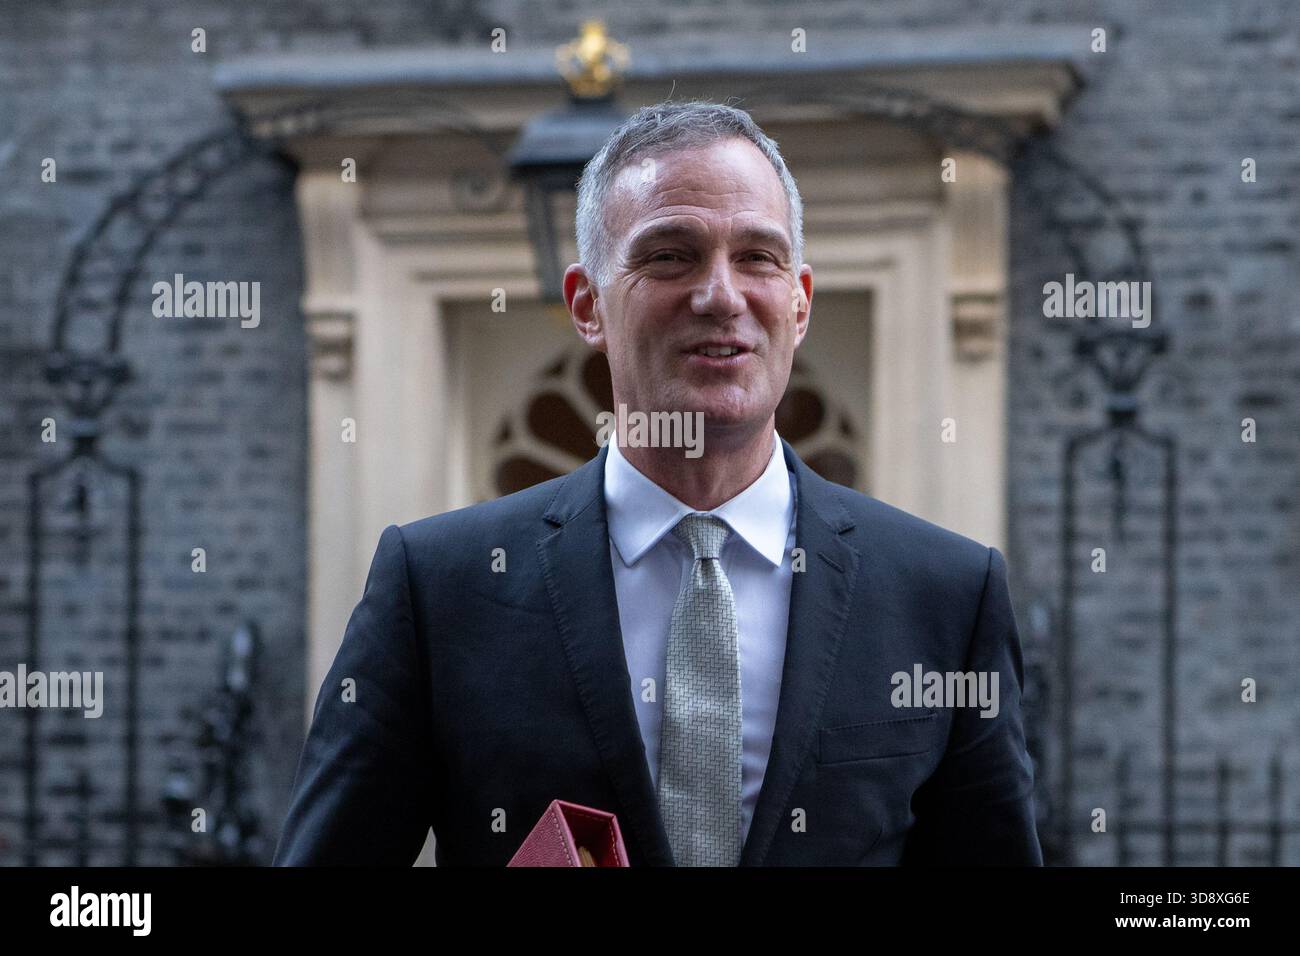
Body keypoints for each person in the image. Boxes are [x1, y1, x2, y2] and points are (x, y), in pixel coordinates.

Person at [274, 100, 1042, 866]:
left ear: (800, 301)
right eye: (670, 255)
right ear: (587, 305)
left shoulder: (945, 594)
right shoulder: (438, 589)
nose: (720, 295)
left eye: (758, 258)